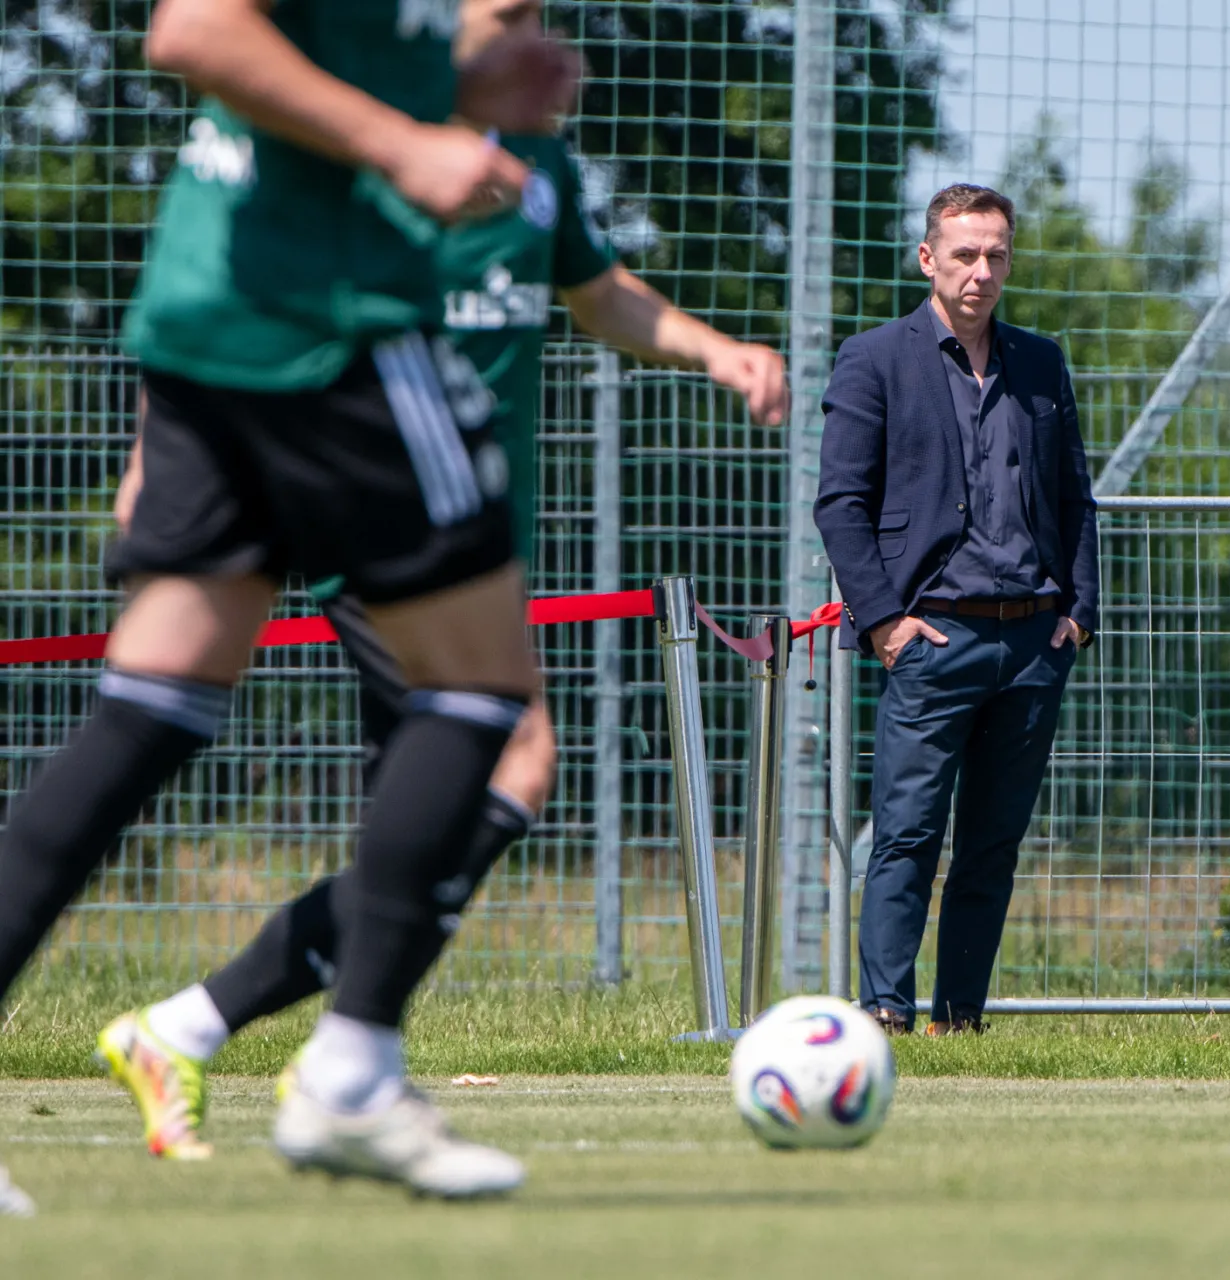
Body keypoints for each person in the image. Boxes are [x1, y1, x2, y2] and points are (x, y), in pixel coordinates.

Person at [91, 0, 790, 1166]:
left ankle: (270, 1041)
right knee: (512, 753)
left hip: (463, 529)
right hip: (379, 514)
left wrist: (717, 350)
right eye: (502, 14)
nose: (529, 32)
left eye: (538, 15)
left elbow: (598, 292)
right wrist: (161, 441)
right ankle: (298, 1046)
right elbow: (253, 253)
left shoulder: (538, 164)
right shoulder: (381, 136)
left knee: (429, 810)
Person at [0, 0, 581, 1204]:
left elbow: (316, 58)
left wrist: (460, 93)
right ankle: (351, 1072)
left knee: (152, 705)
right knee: (484, 690)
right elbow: (198, 29)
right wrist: (407, 142)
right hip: (330, 322)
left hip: (224, 312)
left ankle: (267, 1045)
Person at [813, 183, 1099, 1036]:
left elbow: (1075, 499)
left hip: (1034, 640)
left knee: (992, 843)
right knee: (906, 834)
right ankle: (886, 1012)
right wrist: (885, 624)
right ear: (927, 259)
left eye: (996, 255)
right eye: (965, 254)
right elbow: (840, 504)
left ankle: (960, 1018)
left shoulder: (1040, 362)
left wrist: (1077, 615)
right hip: (931, 637)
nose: (982, 272)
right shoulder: (875, 358)